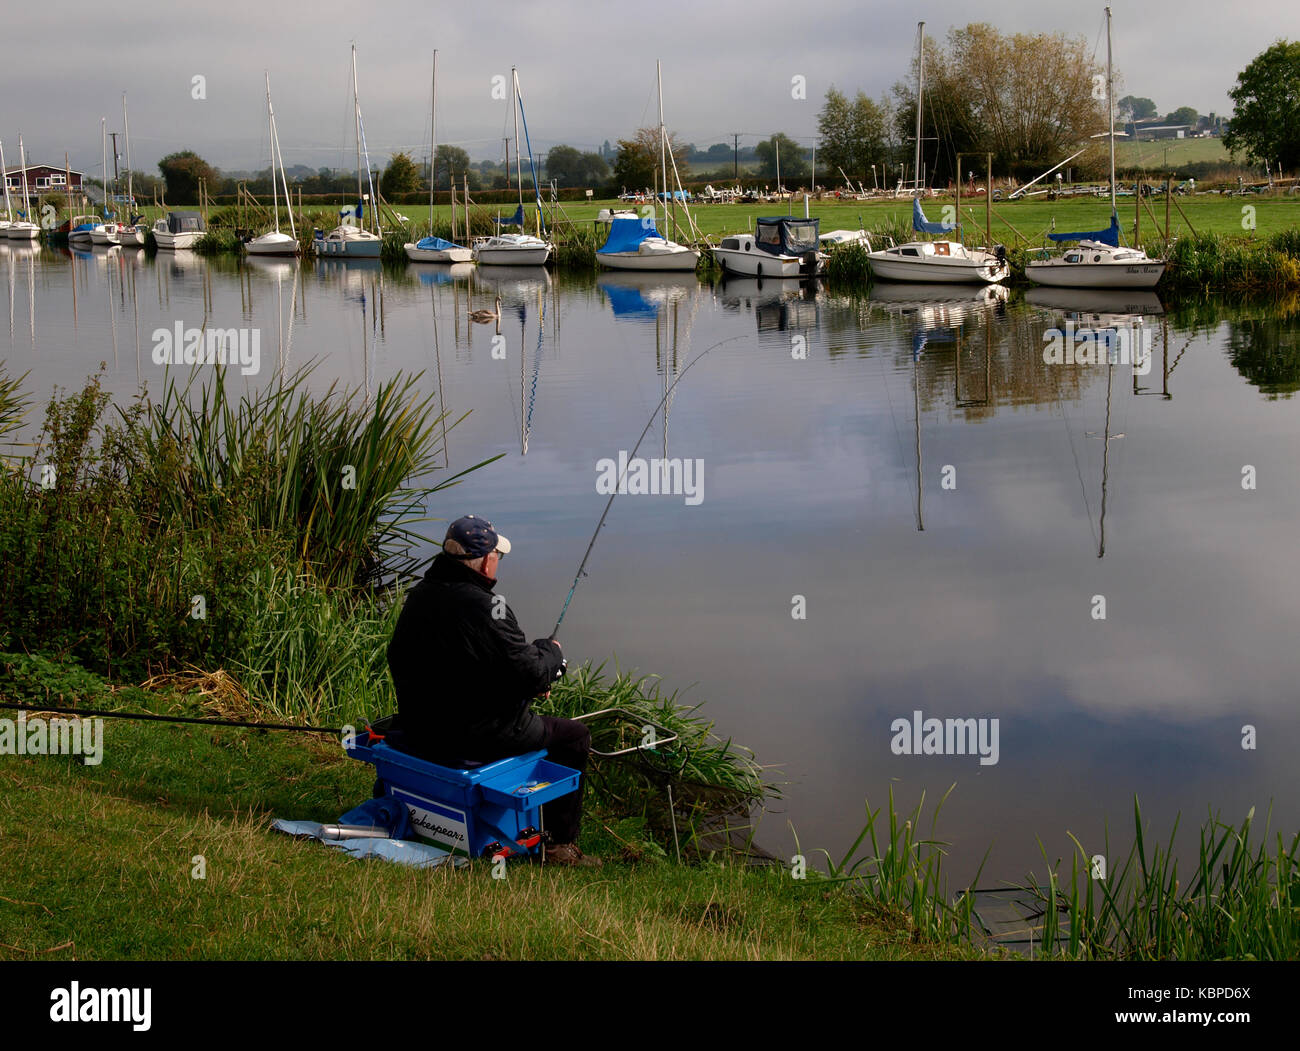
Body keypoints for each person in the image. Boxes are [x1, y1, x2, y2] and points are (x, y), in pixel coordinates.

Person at [386, 515, 600, 868]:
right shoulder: (486, 606)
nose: (497, 562)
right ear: (486, 561)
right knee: (574, 737)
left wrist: (521, 685)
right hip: (476, 735)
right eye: (497, 556)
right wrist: (552, 654)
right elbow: (533, 673)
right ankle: (558, 846)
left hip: (419, 727)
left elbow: (448, 667)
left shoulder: (420, 595)